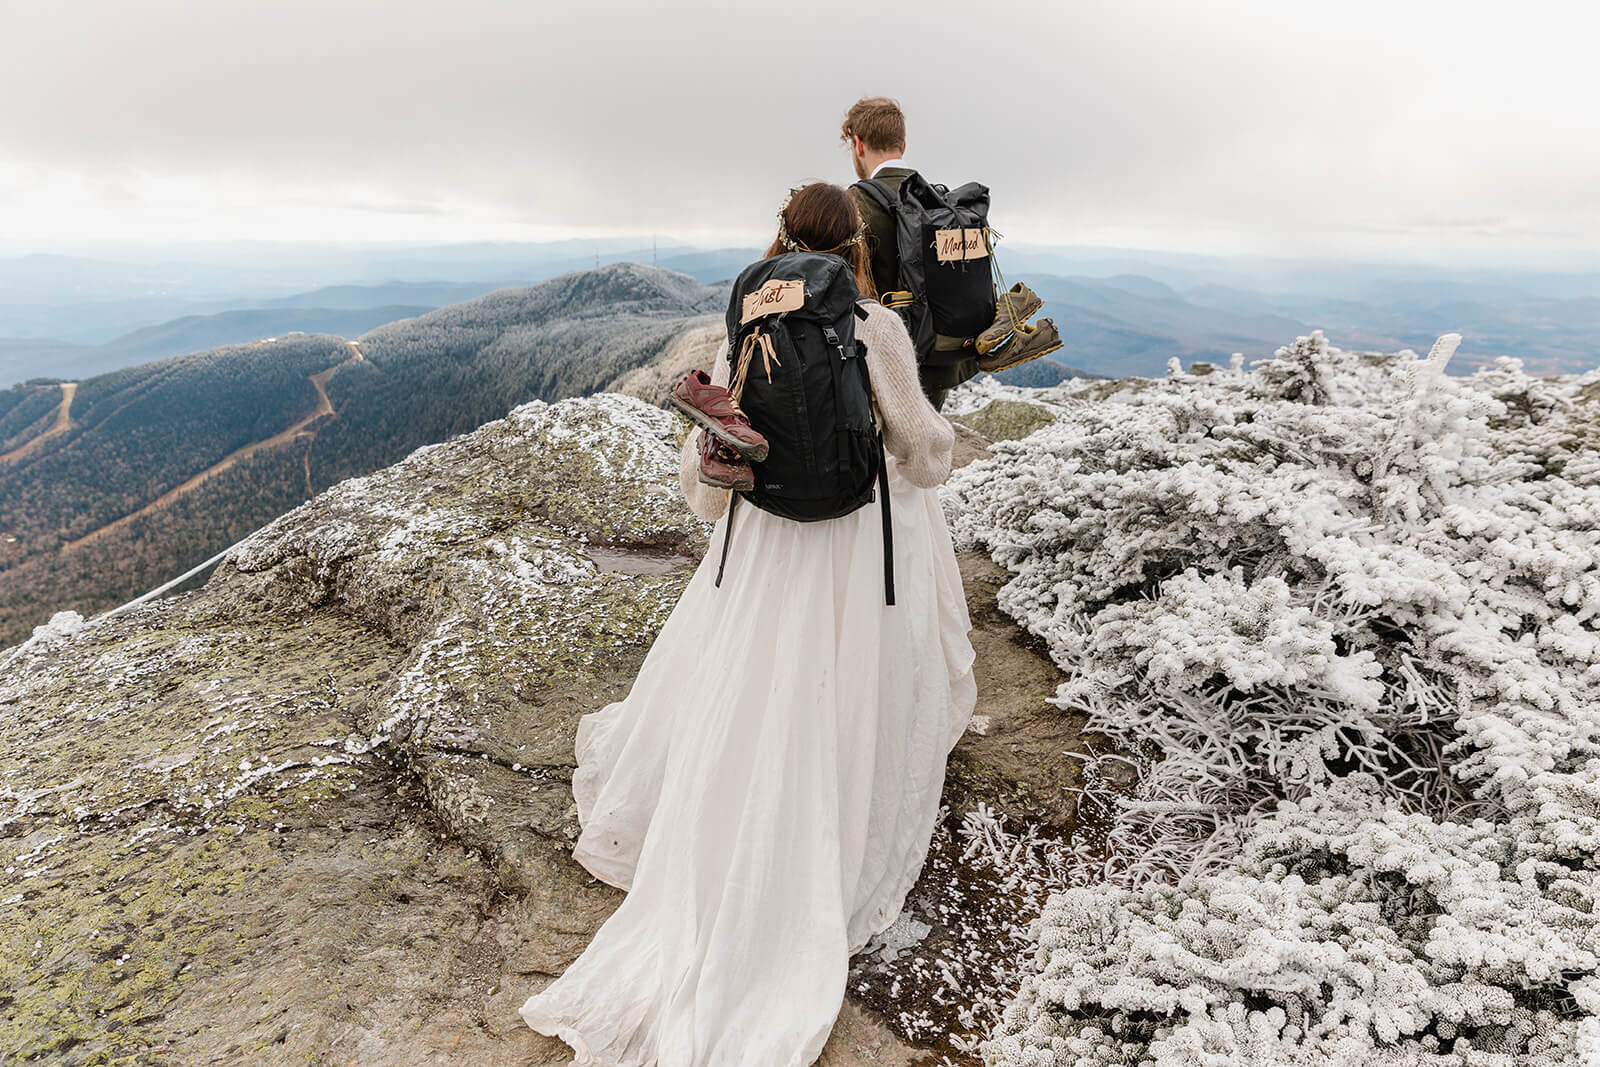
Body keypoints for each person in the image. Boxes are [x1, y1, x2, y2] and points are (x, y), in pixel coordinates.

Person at [518, 182, 977, 1066]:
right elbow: (922, 455)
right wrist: (929, 450)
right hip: (852, 551)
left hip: (767, 547)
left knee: (752, 684)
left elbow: (708, 471)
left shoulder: (751, 321)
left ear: (781, 238)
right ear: (856, 249)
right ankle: (828, 824)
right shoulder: (875, 326)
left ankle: (733, 824)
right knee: (840, 689)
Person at [842, 96, 1058, 411]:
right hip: (939, 358)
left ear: (858, 145)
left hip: (880, 364)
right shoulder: (936, 203)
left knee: (881, 457)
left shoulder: (853, 205)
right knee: (927, 449)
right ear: (903, 144)